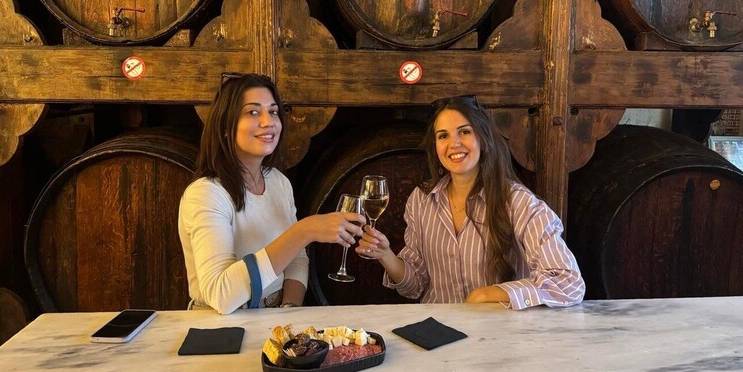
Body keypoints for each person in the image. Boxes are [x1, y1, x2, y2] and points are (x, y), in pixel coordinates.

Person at [357, 95, 585, 309]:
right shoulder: (421, 200)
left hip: (497, 330)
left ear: (483, 139)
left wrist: (489, 294)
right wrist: (385, 254)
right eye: (443, 136)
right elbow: (414, 287)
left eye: (464, 132)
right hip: (438, 329)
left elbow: (568, 282)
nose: (454, 144)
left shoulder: (518, 202)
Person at [178, 73, 364, 314]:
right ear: (225, 127)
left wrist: (288, 309)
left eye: (273, 111)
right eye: (253, 112)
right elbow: (221, 295)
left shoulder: (278, 182)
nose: (268, 122)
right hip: (222, 325)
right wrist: (304, 231)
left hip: (274, 316)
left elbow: (297, 258)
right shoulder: (207, 194)